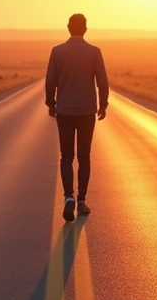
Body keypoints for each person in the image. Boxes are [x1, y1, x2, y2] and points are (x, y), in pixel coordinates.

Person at [45, 13, 109, 222]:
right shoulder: (94, 52)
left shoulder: (57, 52)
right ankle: (81, 201)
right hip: (86, 111)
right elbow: (102, 81)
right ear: (86, 29)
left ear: (68, 27)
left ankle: (68, 197)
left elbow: (50, 81)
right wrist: (103, 104)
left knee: (66, 156)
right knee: (84, 157)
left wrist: (51, 104)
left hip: (64, 111)